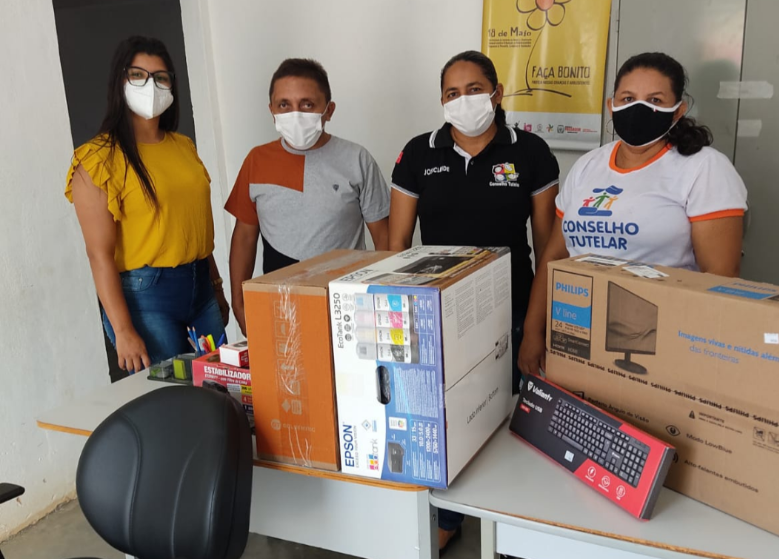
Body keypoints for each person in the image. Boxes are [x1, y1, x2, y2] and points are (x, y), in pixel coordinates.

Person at [389, 50, 559, 552]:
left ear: (497, 93)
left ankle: (513, 523)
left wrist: (538, 325)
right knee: (448, 416)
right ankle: (448, 517)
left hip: (512, 306)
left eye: (474, 89)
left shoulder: (530, 152)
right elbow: (397, 244)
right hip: (440, 312)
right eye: (452, 93)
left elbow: (548, 246)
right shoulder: (419, 153)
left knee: (509, 414)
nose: (462, 100)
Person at [517, 52, 748, 378]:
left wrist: (691, 355)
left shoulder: (704, 168)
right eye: (628, 98)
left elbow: (720, 276)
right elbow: (555, 256)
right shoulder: (588, 165)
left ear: (678, 110)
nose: (639, 108)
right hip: (577, 333)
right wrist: (533, 331)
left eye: (655, 100)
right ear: (611, 105)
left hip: (661, 344)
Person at [66, 36, 229, 374]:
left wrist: (215, 286)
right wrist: (123, 330)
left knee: (222, 389)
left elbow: (191, 226)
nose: (151, 86)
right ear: (120, 81)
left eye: (161, 77)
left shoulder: (183, 147)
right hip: (147, 298)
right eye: (138, 75)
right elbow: (99, 254)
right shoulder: (98, 158)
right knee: (171, 395)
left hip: (200, 287)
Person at [226, 58, 391, 335]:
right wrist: (239, 302)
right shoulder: (257, 160)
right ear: (271, 110)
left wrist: (383, 298)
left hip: (347, 309)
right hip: (279, 307)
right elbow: (244, 237)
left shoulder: (357, 159)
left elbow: (384, 239)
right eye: (284, 105)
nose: (295, 114)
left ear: (329, 110)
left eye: (307, 104)